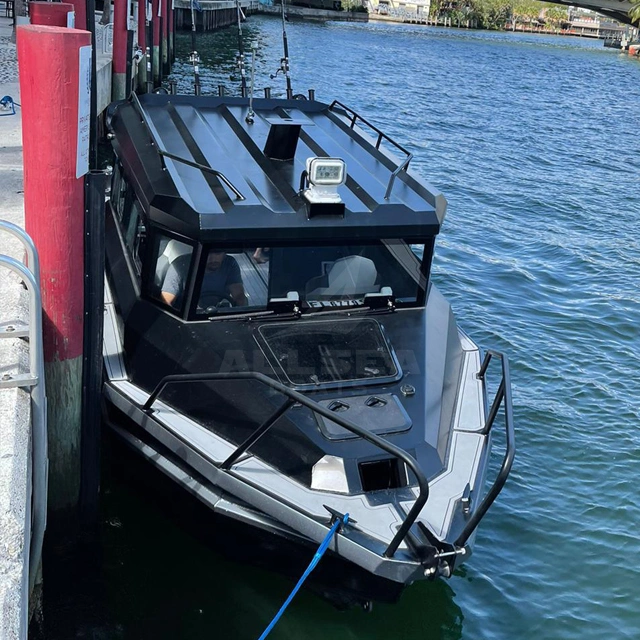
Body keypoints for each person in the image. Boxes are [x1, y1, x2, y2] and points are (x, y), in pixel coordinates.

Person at [161, 249, 247, 309]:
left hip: (218, 313)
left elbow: (239, 295)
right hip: (186, 316)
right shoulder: (180, 264)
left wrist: (242, 313)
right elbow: (166, 300)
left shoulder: (229, 264)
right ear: (199, 252)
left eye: (218, 253)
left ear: (224, 254)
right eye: (208, 253)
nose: (213, 259)